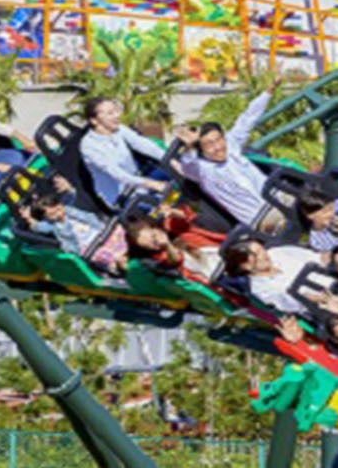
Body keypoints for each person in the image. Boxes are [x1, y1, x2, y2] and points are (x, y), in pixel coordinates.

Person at [172, 87, 276, 223]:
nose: (218, 147)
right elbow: (188, 164)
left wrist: (268, 91)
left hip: (274, 197)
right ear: (201, 151)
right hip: (261, 217)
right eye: (209, 144)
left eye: (219, 139)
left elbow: (248, 119)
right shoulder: (203, 171)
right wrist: (189, 146)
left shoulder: (231, 145)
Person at [78, 98, 167, 208]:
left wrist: (170, 159)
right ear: (94, 120)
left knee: (182, 176)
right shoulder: (89, 146)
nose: (116, 116)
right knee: (162, 207)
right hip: (122, 194)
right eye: (110, 113)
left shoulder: (119, 129)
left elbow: (142, 144)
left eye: (116, 111)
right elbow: (117, 174)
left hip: (140, 177)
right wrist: (151, 184)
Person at [220, 236, 320, 316]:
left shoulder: (278, 252)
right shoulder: (260, 289)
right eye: (257, 254)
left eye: (262, 249)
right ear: (246, 265)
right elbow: (291, 306)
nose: (264, 254)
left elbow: (314, 257)